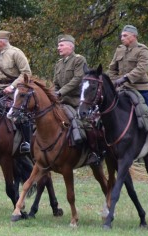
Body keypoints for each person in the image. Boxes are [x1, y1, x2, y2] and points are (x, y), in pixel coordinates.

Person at [108, 25, 148, 151]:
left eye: (125, 35)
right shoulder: (120, 50)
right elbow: (112, 68)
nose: (122, 38)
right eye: (121, 35)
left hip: (141, 87)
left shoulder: (142, 50)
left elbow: (142, 68)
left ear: (134, 36)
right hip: (122, 88)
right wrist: (114, 81)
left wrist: (126, 78)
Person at [53, 34, 99, 164]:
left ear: (70, 46)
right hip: (61, 100)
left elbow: (77, 79)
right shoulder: (58, 64)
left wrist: (60, 92)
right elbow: (55, 82)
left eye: (61, 45)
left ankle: (93, 152)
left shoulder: (79, 60)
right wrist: (53, 94)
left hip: (77, 101)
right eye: (58, 45)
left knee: (85, 123)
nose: (58, 48)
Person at [0, 30, 32, 153]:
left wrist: (12, 87)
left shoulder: (16, 53)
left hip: (16, 89)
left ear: (1, 41)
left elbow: (26, 73)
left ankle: (26, 142)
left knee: (19, 113)